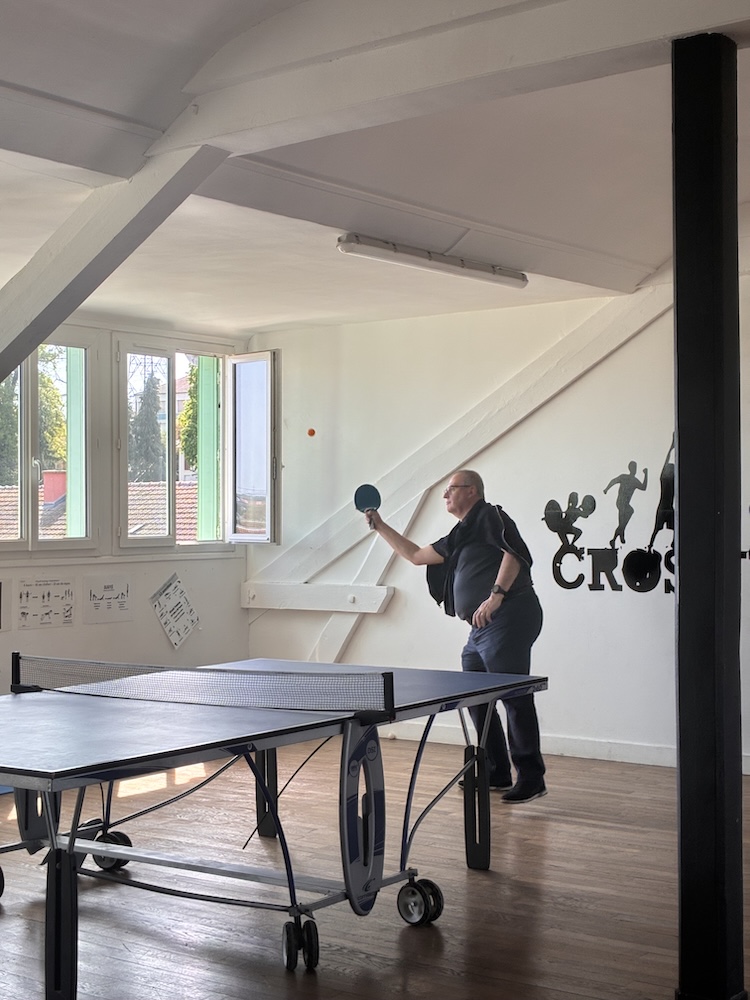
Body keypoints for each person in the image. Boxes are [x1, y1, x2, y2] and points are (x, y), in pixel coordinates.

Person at [365, 469, 546, 803]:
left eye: (451, 488)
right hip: (481, 628)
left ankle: (532, 778)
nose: (445, 495)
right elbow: (416, 555)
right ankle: (496, 771)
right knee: (476, 696)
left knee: (513, 695)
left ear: (471, 491)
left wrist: (496, 595)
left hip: (509, 616)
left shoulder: (490, 516)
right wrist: (380, 526)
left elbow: (515, 552)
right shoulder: (461, 534)